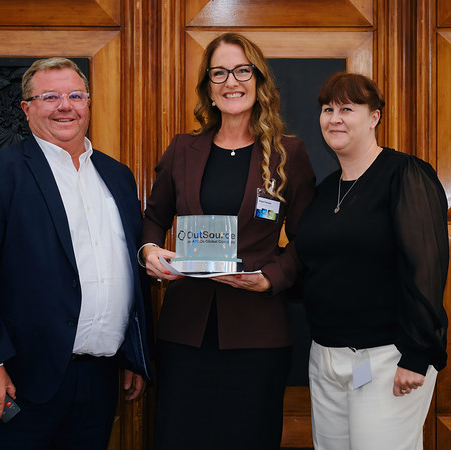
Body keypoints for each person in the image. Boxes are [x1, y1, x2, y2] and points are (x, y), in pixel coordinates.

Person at [0, 57, 153, 450]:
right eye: (50, 96)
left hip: (99, 382)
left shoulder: (118, 176)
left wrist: (131, 354)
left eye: (75, 95)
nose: (65, 106)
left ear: (89, 103)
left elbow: (123, 270)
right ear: (27, 108)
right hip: (16, 380)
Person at [140, 33, 316, 450]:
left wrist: (271, 278)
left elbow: (309, 239)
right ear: (208, 87)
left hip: (258, 332)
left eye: (241, 70)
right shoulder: (184, 149)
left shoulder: (288, 153)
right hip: (184, 332)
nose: (231, 81)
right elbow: (153, 219)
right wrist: (149, 250)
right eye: (219, 72)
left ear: (258, 81)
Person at [295, 72, 449, 450]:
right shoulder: (325, 190)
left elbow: (425, 269)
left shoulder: (405, 174)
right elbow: (315, 269)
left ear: (375, 117)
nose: (334, 118)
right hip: (326, 358)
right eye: (328, 109)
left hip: (387, 361)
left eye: (347, 108)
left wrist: (416, 355)